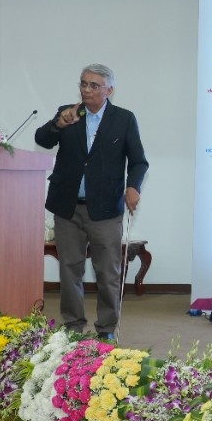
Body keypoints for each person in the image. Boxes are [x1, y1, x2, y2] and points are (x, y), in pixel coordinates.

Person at [35, 63, 149, 340]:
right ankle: (73, 326)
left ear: (109, 90)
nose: (86, 89)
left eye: (93, 85)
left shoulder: (124, 119)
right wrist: (58, 124)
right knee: (69, 269)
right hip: (67, 206)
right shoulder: (69, 113)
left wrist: (133, 187)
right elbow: (42, 139)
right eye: (83, 83)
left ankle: (107, 328)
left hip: (106, 209)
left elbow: (138, 162)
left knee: (107, 272)